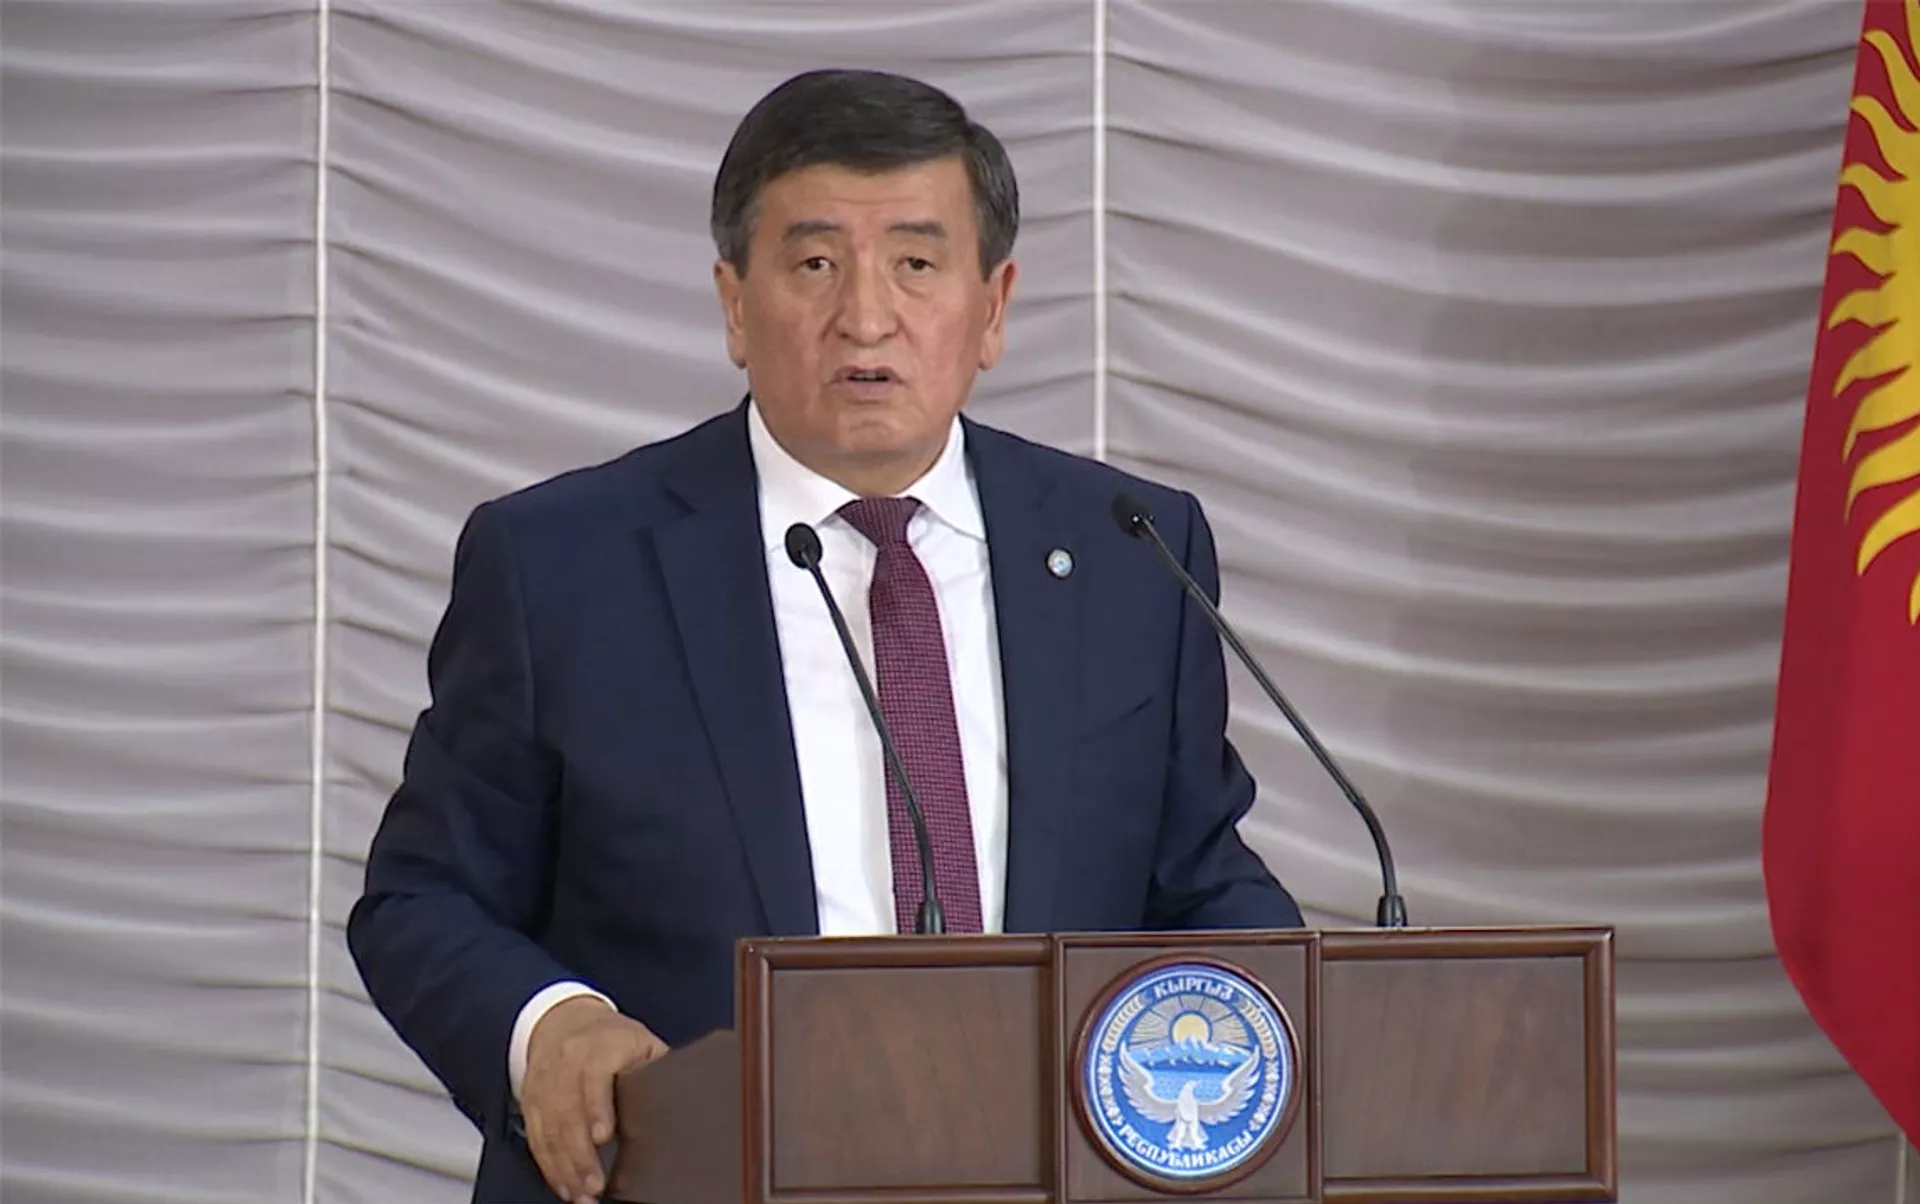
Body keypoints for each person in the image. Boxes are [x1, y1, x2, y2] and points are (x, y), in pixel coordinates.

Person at [347, 68, 1302, 1204]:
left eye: (916, 263)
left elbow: (1198, 879)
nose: (865, 316)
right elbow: (423, 897)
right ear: (733, 304)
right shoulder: (559, 565)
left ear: (993, 306)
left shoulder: (1130, 550)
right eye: (813, 265)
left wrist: (1293, 1015)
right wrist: (550, 1025)